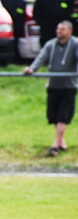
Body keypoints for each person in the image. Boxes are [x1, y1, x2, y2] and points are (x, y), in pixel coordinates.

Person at [24, 20, 78, 156]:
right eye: (58, 29)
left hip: (69, 86)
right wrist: (31, 69)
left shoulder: (75, 44)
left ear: (70, 32)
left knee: (64, 116)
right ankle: (61, 140)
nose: (59, 32)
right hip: (53, 85)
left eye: (62, 29)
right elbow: (41, 58)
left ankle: (55, 144)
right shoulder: (50, 45)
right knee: (54, 115)